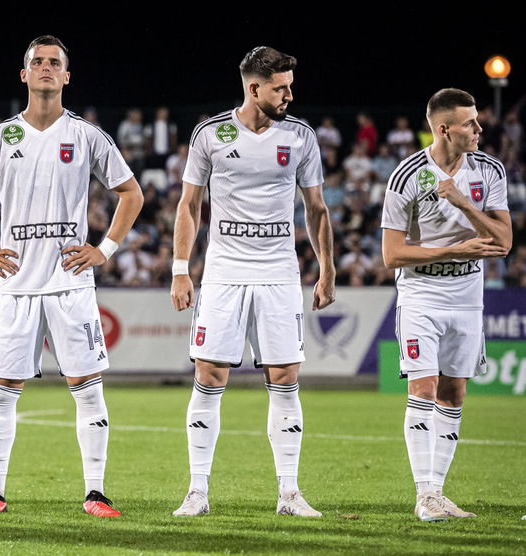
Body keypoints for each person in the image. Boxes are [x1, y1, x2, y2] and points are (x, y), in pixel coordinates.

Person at [0, 35, 143, 518]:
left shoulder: (87, 136)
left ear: (66, 76)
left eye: (54, 62)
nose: (45, 68)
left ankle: (96, 493)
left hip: (70, 283)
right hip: (15, 284)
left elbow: (132, 194)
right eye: (36, 61)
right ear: (23, 74)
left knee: (87, 387)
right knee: (2, 390)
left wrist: (104, 249)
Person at [170, 46, 335, 518]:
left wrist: (327, 269)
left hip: (279, 274)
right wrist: (181, 269)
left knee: (285, 379)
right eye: (280, 88)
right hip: (224, 273)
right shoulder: (211, 134)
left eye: (290, 87)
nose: (289, 96)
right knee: (208, 376)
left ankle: (290, 494)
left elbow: (316, 209)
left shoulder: (300, 136)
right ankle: (197, 492)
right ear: (254, 88)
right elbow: (189, 205)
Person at [381, 88, 511, 521]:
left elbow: (503, 241)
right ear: (443, 129)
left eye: (477, 120)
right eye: (470, 123)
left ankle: (437, 491)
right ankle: (424, 495)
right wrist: (454, 250)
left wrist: (463, 203)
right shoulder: (407, 175)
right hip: (421, 294)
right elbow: (392, 255)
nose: (479, 128)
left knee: (455, 392)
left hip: (468, 296)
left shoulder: (489, 170)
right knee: (424, 387)